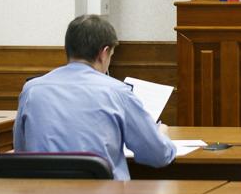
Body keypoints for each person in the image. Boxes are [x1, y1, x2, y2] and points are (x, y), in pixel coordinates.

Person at [13, 14, 176, 180]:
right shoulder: (118, 92)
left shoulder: (32, 90)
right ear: (104, 53)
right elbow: (157, 156)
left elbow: (20, 150)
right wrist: (161, 134)